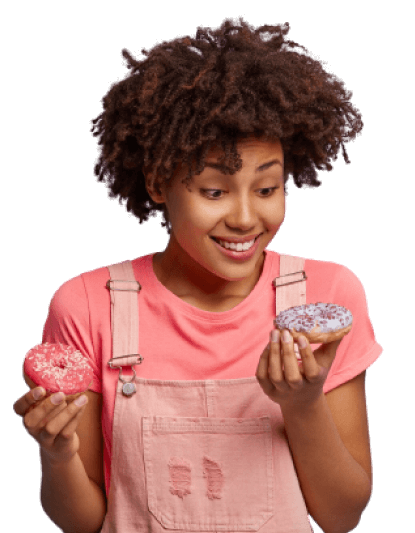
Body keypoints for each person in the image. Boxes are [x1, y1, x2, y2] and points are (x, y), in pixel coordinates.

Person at [14, 17, 383, 533]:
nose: (245, 218)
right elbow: (82, 523)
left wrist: (302, 403)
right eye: (214, 191)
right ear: (160, 182)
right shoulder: (88, 304)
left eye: (267, 188)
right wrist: (56, 456)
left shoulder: (326, 294)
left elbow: (342, 515)